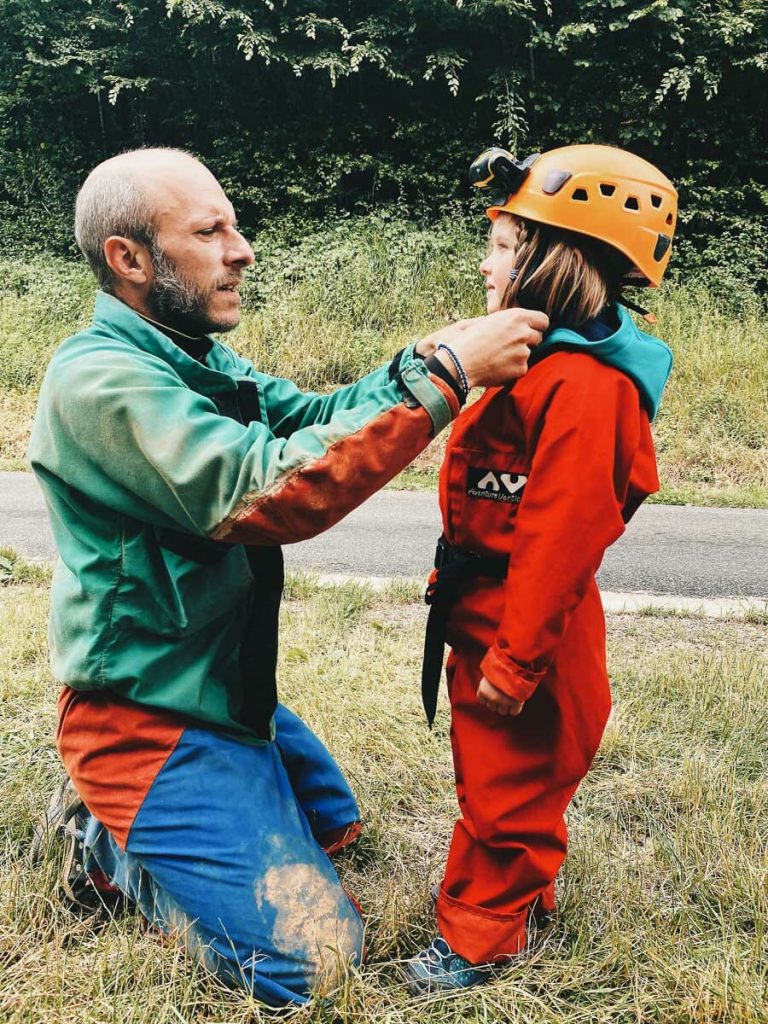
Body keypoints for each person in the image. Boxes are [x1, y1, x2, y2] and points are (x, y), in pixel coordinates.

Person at [27, 147, 548, 1006]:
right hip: (145, 713)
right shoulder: (99, 379)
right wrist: (448, 382)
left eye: (233, 227)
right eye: (210, 231)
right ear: (129, 259)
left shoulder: (191, 356)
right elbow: (266, 492)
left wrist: (424, 358)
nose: (243, 250)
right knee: (314, 966)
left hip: (225, 691)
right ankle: (109, 842)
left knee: (337, 827)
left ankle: (172, 819)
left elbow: (314, 417)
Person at [406, 144, 677, 993]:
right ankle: (524, 900)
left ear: (554, 260)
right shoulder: (535, 362)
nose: (485, 264)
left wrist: (517, 660)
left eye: (502, 246)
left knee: (510, 787)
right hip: (488, 609)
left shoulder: (585, 387)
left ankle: (481, 938)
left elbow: (562, 537)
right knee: (499, 770)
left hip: (527, 626)